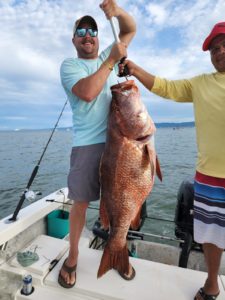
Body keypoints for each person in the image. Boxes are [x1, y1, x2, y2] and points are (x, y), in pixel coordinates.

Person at [120, 22, 225, 300]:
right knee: (212, 238)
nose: (220, 51)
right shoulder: (200, 84)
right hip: (210, 177)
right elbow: (166, 87)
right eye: (215, 49)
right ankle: (212, 283)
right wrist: (134, 68)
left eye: (224, 45)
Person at [58, 0, 136, 288]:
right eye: (82, 31)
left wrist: (118, 13)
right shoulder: (70, 65)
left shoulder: (109, 55)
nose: (88, 35)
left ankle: (118, 251)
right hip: (88, 145)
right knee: (80, 203)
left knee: (122, 203)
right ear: (74, 39)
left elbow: (130, 29)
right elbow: (89, 92)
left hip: (121, 143)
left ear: (98, 36)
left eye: (92, 30)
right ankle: (74, 256)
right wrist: (109, 60)